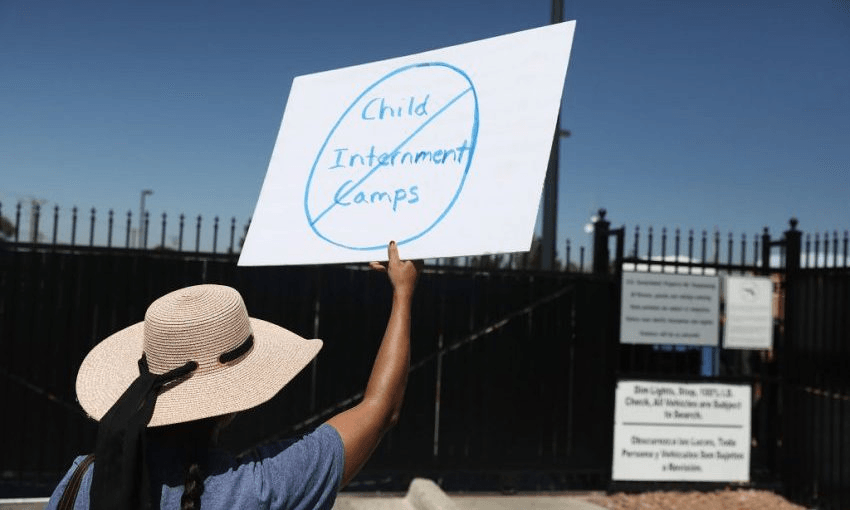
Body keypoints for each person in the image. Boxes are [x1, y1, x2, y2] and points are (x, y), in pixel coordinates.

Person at [47, 241, 420, 510]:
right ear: (230, 406)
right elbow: (381, 409)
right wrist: (402, 293)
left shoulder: (81, 480)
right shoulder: (260, 488)